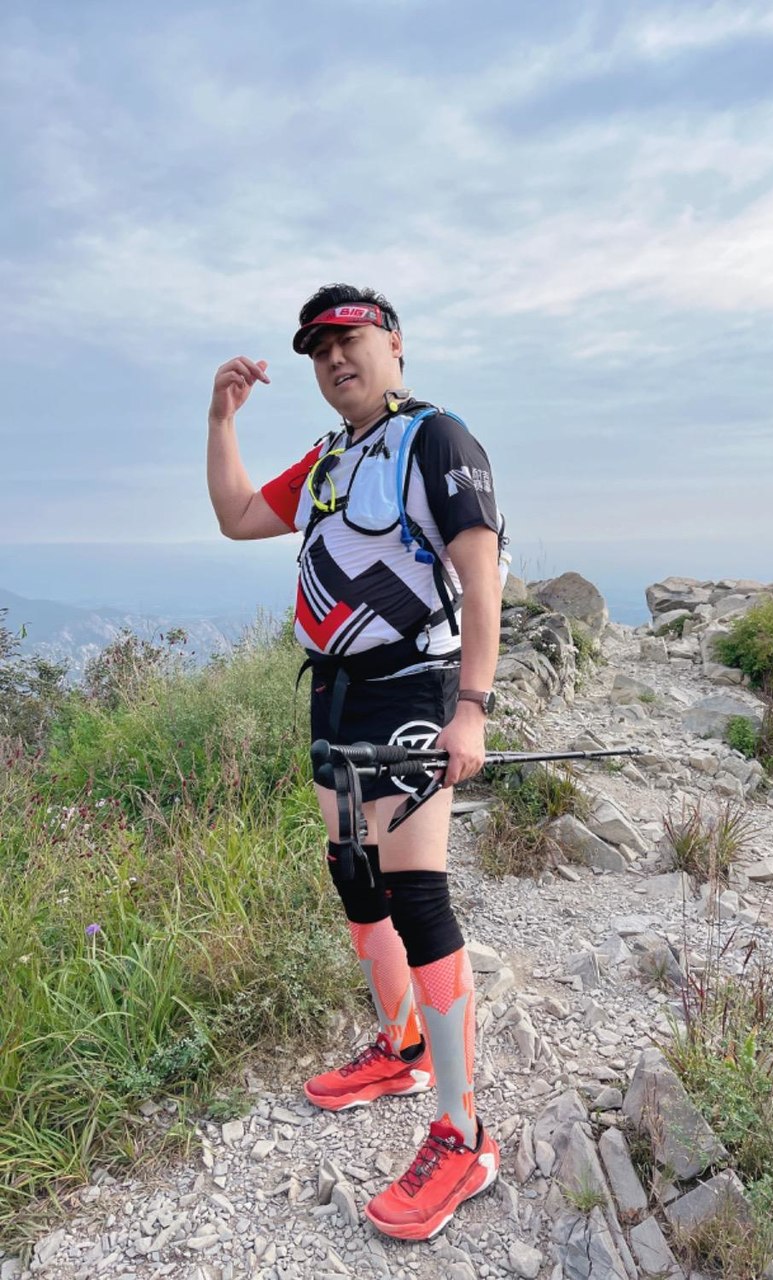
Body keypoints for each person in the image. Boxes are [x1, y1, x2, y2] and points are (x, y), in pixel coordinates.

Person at [206, 284, 503, 1241]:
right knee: (353, 872)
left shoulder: (436, 440)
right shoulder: (331, 458)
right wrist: (221, 419)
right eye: (318, 348)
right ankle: (402, 1043)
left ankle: (463, 1136)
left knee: (417, 894)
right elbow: (238, 515)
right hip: (334, 694)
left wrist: (470, 710)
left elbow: (481, 573)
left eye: (350, 338)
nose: (334, 357)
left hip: (414, 688)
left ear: (394, 344)